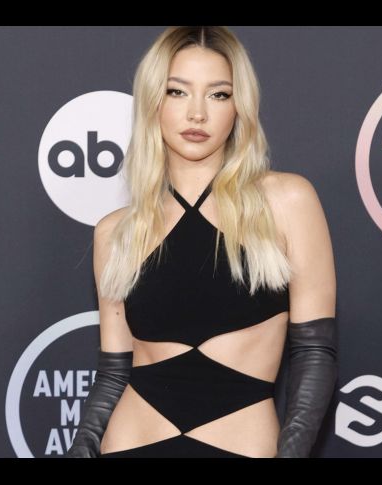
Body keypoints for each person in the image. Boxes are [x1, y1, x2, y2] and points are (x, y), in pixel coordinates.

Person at [68, 26, 338, 458]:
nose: (197, 113)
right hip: (130, 442)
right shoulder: (116, 231)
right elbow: (114, 372)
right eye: (177, 92)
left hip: (242, 445)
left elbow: (314, 352)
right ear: (153, 102)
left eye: (218, 94)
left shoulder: (287, 200)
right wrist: (82, 448)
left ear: (240, 108)